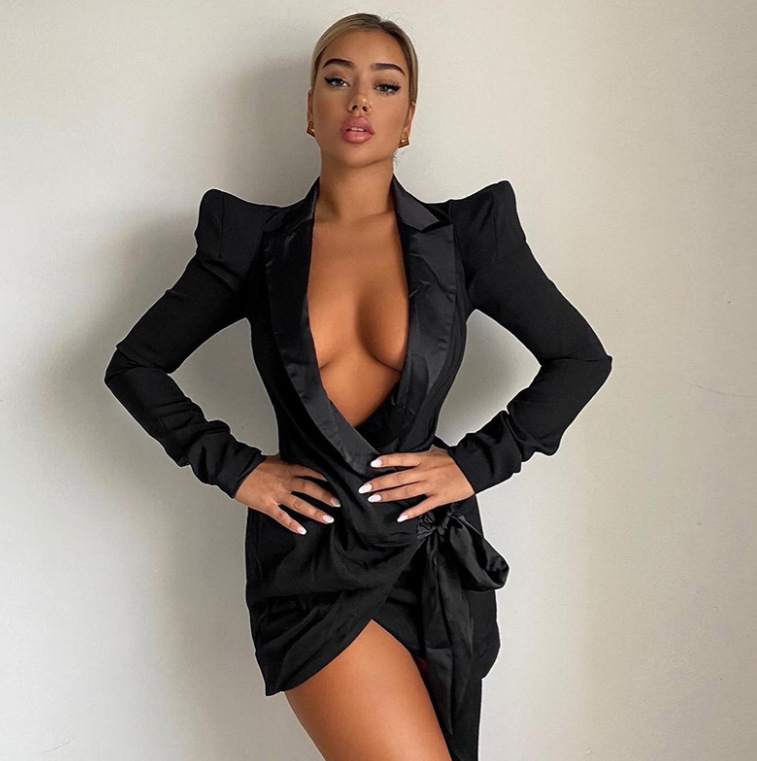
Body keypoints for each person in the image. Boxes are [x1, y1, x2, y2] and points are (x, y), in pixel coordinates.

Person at [104, 12, 612, 761]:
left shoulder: (467, 239)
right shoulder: (252, 244)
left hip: (431, 561)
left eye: (386, 85)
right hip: (311, 562)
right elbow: (136, 365)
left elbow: (579, 357)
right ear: (310, 109)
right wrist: (236, 468)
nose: (360, 100)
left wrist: (473, 464)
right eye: (337, 80)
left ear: (409, 118)